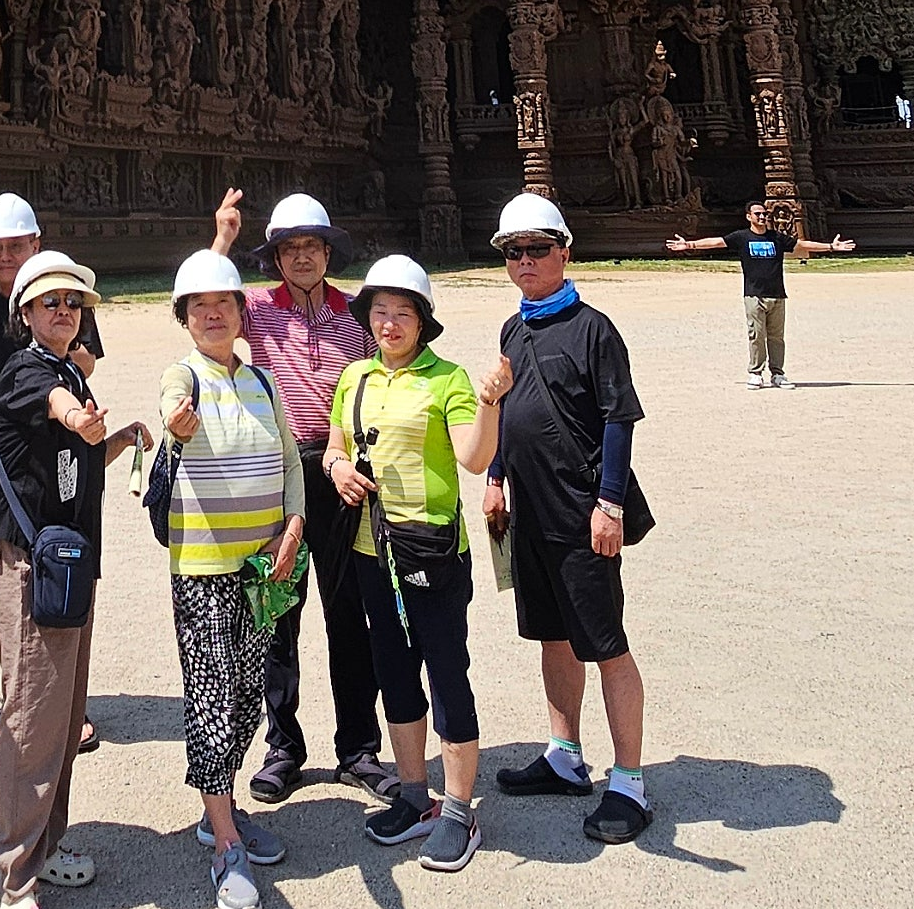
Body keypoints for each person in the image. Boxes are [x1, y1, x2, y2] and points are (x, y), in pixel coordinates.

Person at [0, 249, 148, 909]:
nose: (64, 312)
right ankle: (15, 884)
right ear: (24, 313)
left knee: (63, 714)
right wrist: (80, 417)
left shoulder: (68, 371)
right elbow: (58, 411)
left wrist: (116, 438)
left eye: (73, 302)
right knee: (31, 720)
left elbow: (73, 458)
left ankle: (46, 846)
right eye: (50, 302)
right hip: (26, 566)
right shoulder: (29, 371)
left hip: (65, 563)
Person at [482, 194, 656, 845]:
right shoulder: (512, 330)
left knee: (606, 644)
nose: (525, 261)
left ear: (564, 252)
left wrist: (609, 504)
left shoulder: (594, 329)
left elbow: (618, 418)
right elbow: (508, 410)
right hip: (530, 510)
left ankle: (630, 782)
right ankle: (565, 754)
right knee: (552, 636)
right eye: (513, 252)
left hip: (583, 514)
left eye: (537, 249)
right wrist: (495, 476)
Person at [324, 256, 507, 873]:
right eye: (379, 312)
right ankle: (413, 794)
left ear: (422, 321)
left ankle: (458, 810)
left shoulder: (447, 379)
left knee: (447, 672)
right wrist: (337, 468)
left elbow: (474, 458)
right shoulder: (355, 377)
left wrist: (489, 402)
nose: (389, 323)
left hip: (431, 549)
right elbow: (334, 445)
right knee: (395, 672)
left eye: (402, 313)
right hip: (371, 551)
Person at [210, 188, 392, 804]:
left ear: (328, 252)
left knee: (349, 613)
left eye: (312, 246)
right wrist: (223, 239)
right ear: (276, 259)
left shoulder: (357, 313)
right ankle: (283, 747)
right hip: (276, 476)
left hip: (341, 475)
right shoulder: (258, 309)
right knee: (277, 613)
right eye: (290, 249)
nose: (303, 257)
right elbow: (208, 303)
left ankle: (358, 747)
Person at [160, 250, 304, 909]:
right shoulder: (183, 376)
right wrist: (176, 422)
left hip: (262, 570)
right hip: (203, 570)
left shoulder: (263, 383)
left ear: (243, 313)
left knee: (248, 694)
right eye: (199, 306)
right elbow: (172, 409)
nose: (213, 313)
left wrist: (294, 524)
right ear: (185, 319)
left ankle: (219, 808)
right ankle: (225, 843)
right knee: (212, 698)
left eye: (224, 303)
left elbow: (290, 463)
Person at [0, 193, 105, 749]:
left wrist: (94, 427)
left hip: (55, 468)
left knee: (57, 597)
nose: (5, 256)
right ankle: (21, 702)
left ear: (35, 244)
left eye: (15, 246)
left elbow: (78, 373)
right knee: (12, 593)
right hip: (5, 469)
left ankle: (54, 707)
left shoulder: (62, 308)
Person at [666, 200, 855, 387]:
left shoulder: (777, 238)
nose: (762, 216)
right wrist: (689, 245)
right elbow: (717, 242)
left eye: (764, 214)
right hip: (754, 295)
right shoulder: (742, 237)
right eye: (758, 214)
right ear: (749, 217)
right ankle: (756, 373)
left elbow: (802, 245)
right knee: (756, 335)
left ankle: (778, 373)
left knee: (776, 337)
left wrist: (831, 247)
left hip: (777, 294)